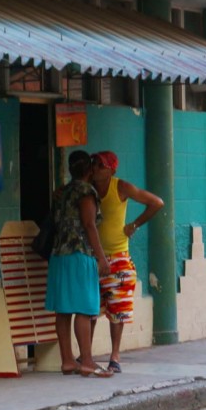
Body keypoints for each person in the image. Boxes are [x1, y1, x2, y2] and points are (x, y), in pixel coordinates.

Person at [89, 150, 164, 373]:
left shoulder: (120, 187)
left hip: (118, 258)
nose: (95, 167)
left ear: (112, 169)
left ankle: (115, 356)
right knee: (90, 310)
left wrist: (135, 224)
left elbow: (156, 202)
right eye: (94, 163)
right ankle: (86, 355)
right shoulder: (88, 189)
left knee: (117, 311)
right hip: (91, 257)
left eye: (100, 164)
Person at [45, 149, 112, 378]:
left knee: (63, 310)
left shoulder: (61, 192)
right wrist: (101, 257)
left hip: (58, 254)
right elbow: (89, 224)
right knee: (84, 308)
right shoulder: (86, 191)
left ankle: (67, 361)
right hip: (79, 253)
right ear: (89, 170)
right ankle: (87, 361)